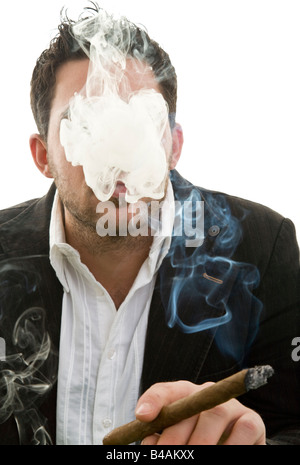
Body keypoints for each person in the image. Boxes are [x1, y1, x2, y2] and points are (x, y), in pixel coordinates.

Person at [0, 4, 299, 445]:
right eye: (87, 122)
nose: (118, 155)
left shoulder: (264, 248)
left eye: (142, 121)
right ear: (43, 155)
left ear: (174, 146)